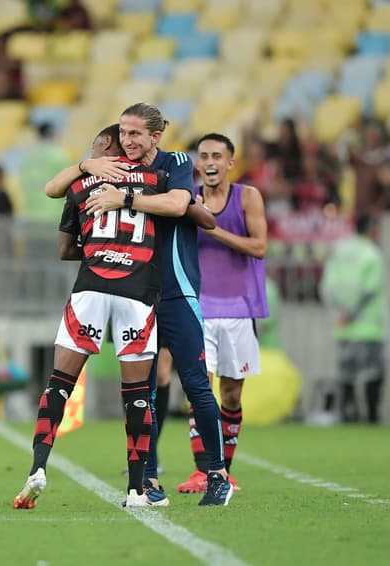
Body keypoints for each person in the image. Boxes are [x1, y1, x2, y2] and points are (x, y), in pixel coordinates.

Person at [77, 104, 234, 506]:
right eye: (123, 134)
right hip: (135, 296)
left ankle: (217, 474)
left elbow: (179, 204)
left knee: (196, 384)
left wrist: (124, 199)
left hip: (177, 291)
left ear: (155, 136)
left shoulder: (177, 161)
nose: (127, 141)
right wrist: (85, 164)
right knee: (138, 390)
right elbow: (62, 185)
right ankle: (146, 479)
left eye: (135, 134)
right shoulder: (119, 170)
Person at [12, 123, 166, 509]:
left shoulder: (80, 186)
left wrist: (100, 248)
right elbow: (180, 209)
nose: (91, 155)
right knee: (135, 397)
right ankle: (135, 490)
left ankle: (38, 469)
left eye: (96, 148)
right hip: (136, 293)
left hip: (91, 289)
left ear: (109, 149)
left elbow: (64, 248)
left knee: (59, 384)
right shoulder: (156, 181)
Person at [172, 133, 268, 494]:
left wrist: (213, 226)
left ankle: (224, 471)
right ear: (197, 163)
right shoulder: (187, 198)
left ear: (230, 162)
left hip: (240, 310)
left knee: (231, 395)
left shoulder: (248, 197)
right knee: (200, 390)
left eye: (217, 156)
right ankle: (203, 471)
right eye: (204, 156)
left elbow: (259, 247)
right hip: (198, 308)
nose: (209, 162)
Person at [319, 214, 386, 423]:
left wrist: (341, 313)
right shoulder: (373, 254)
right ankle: (372, 417)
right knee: (373, 373)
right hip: (368, 328)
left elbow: (327, 287)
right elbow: (370, 289)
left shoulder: (339, 251)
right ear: (371, 230)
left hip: (343, 327)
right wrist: (352, 314)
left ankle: (349, 415)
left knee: (347, 374)